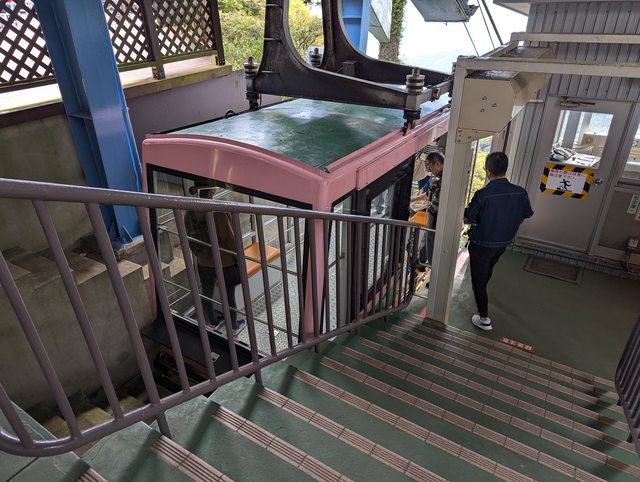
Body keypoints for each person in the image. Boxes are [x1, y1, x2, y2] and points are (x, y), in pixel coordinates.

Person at [464, 152, 533, 331]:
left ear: (488, 171)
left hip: (481, 243)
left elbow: (468, 218)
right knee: (487, 270)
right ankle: (483, 296)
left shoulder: (482, 194)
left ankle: (484, 318)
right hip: (503, 243)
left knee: (478, 280)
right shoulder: (520, 192)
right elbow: (526, 214)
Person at [184, 186, 246, 337]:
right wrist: (240, 258)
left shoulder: (189, 212)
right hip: (224, 263)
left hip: (203, 261)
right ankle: (233, 326)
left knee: (206, 292)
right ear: (212, 192)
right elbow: (230, 240)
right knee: (229, 295)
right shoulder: (218, 212)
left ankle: (212, 322)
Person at [411, 151, 444, 270]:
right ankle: (420, 262)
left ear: (437, 164)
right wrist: (413, 199)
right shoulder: (442, 178)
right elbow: (428, 193)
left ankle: (431, 268)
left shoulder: (443, 180)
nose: (430, 171)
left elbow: (431, 196)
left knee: (430, 241)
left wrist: (429, 209)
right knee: (427, 239)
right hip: (436, 215)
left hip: (436, 216)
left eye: (430, 167)